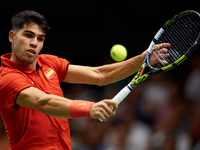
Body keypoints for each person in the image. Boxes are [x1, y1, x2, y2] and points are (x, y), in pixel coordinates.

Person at [0, 10, 170, 150]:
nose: (34, 43)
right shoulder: (6, 78)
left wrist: (141, 59)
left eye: (40, 38)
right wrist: (90, 108)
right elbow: (43, 101)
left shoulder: (49, 63)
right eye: (28, 35)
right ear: (12, 36)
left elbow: (99, 75)